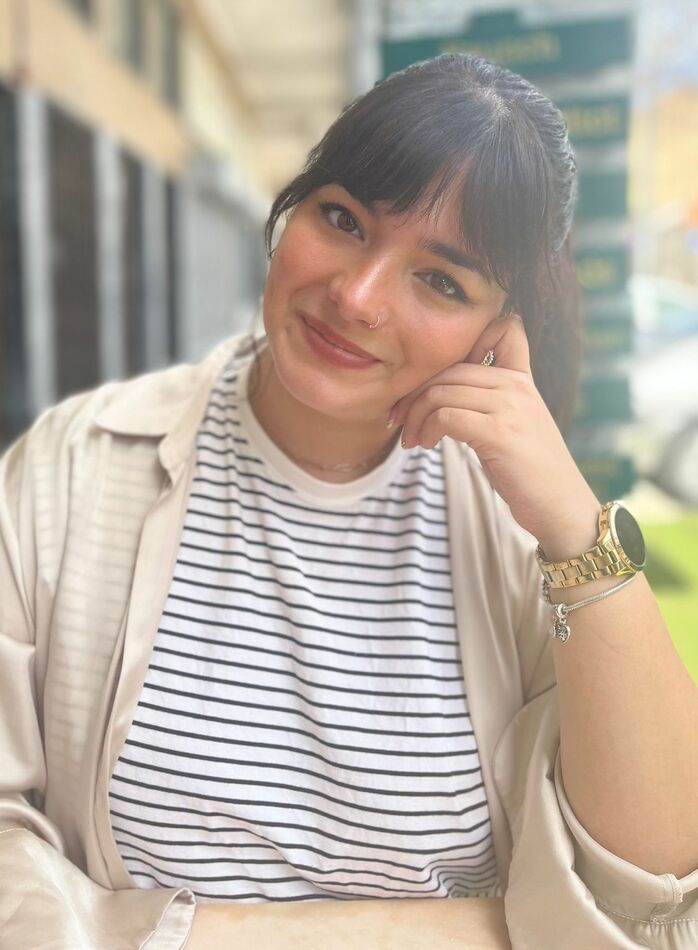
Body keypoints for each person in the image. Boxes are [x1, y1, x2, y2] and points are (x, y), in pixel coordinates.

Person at [0, 53, 696, 950]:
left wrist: (573, 528)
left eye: (440, 281)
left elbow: (653, 895)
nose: (357, 298)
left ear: (498, 329)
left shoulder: (517, 536)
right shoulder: (78, 463)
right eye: (343, 219)